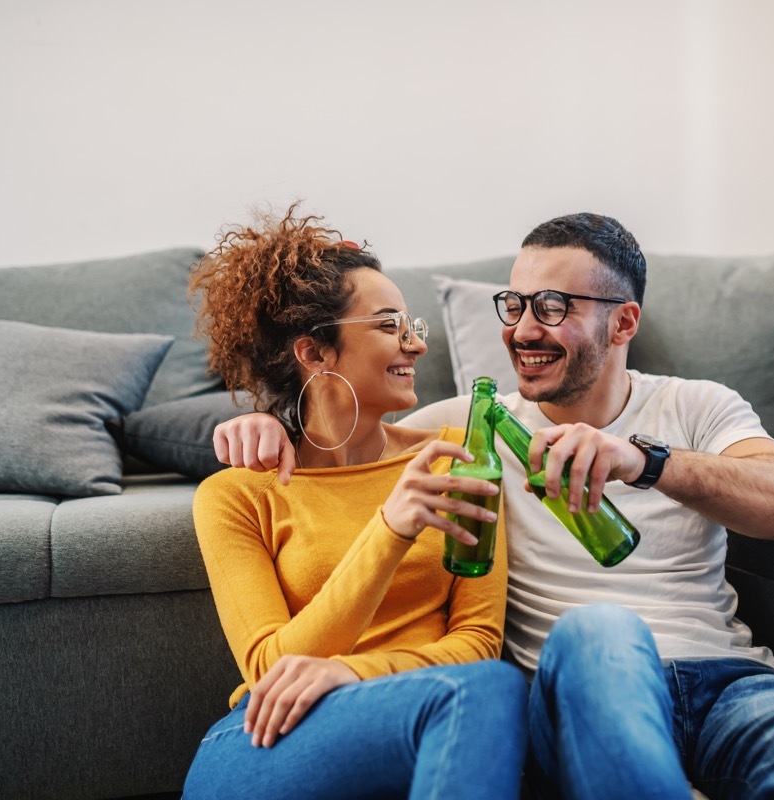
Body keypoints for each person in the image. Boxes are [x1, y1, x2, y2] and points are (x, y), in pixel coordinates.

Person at [212, 213, 774, 799]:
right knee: (602, 628)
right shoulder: (477, 431)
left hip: (730, 683)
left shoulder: (696, 406)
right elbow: (339, 428)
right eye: (516, 305)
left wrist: (645, 462)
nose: (523, 330)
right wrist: (262, 423)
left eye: (553, 308)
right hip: (579, 683)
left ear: (623, 322)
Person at [182, 205, 528, 800]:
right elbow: (268, 672)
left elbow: (478, 644)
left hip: (432, 716)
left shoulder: (458, 459)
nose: (416, 344)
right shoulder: (237, 495)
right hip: (268, 737)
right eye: (390, 325)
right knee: (481, 693)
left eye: (412, 324)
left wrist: (350, 671)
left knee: (490, 686)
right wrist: (389, 530)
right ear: (315, 353)